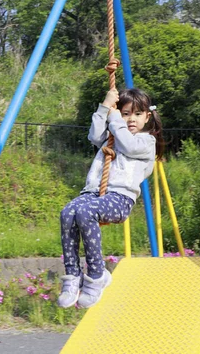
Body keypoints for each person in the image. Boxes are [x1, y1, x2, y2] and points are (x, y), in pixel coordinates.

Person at [57, 88, 164, 309]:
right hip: (93, 193)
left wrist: (116, 119)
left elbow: (128, 145)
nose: (130, 119)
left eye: (137, 114)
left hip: (120, 198)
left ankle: (97, 275)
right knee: (68, 212)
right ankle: (72, 277)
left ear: (147, 116)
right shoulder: (113, 136)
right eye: (125, 113)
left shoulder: (146, 142)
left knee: (85, 213)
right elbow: (95, 136)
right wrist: (105, 107)